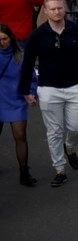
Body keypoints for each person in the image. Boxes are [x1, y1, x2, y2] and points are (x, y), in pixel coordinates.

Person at [18, 0, 78, 188]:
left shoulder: (77, 30)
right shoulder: (38, 35)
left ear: (64, 8)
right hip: (48, 88)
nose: (57, 12)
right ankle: (59, 169)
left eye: (60, 8)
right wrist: (26, 90)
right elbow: (27, 64)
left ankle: (70, 147)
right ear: (46, 11)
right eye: (53, 9)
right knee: (53, 131)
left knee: (77, 126)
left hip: (74, 86)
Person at [0, 23, 37, 186]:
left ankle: (24, 172)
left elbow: (32, 77)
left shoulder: (21, 56)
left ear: (11, 38)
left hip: (16, 99)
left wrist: (31, 93)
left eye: (4, 39)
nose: (1, 42)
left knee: (20, 136)